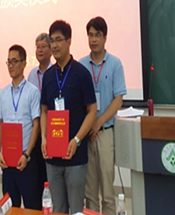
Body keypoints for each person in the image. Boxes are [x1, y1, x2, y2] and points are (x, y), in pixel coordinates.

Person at [40, 20, 97, 214]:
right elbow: (44, 110)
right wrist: (44, 138)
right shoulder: (48, 76)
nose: (54, 45)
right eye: (52, 41)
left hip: (75, 156)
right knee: (58, 209)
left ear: (69, 41)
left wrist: (77, 139)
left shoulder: (82, 74)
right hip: (52, 157)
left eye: (58, 40)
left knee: (76, 210)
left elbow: (92, 110)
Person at [80, 17, 127, 215]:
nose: (93, 40)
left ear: (105, 37)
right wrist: (89, 125)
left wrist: (98, 122)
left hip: (105, 132)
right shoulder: (81, 65)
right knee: (89, 192)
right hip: (86, 134)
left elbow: (118, 100)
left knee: (107, 191)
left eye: (97, 35)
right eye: (90, 35)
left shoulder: (115, 64)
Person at [0, 45, 41, 210]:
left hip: (25, 160)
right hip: (8, 160)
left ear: (24, 63)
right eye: (9, 62)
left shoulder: (32, 92)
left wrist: (27, 154)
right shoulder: (3, 93)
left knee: (31, 206)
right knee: (9, 207)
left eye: (15, 61)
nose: (11, 65)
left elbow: (36, 125)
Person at [26, 32, 52, 199]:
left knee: (50, 175)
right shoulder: (31, 74)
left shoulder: (55, 72)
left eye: (43, 47)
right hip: (35, 129)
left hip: (52, 129)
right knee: (36, 176)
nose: (40, 50)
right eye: (37, 47)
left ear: (51, 50)